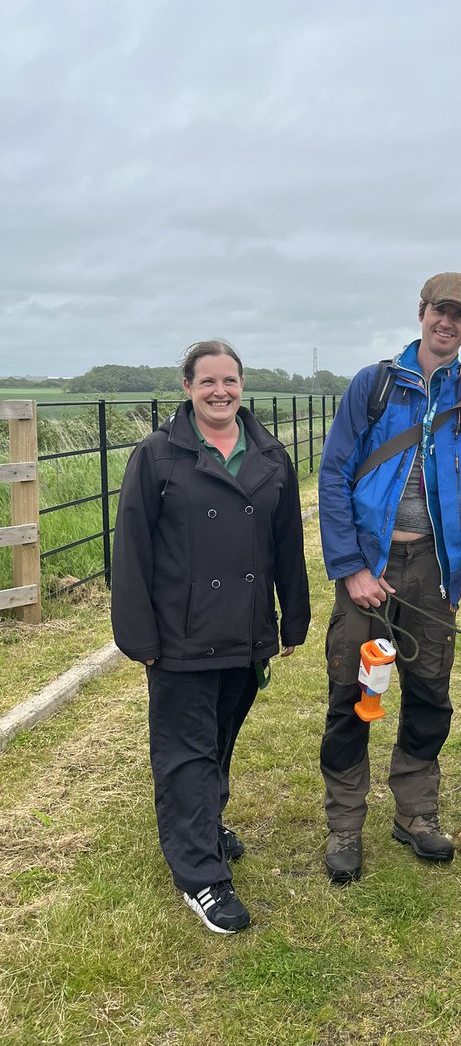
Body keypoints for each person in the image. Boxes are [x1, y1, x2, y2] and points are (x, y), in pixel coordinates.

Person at [317, 273, 461, 883]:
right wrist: (352, 567)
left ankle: (416, 814)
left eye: (460, 316)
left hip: (433, 569)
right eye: (439, 311)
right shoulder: (373, 387)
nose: (447, 323)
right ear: (422, 312)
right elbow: (334, 477)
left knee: (428, 698)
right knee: (356, 696)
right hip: (372, 566)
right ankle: (345, 824)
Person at [111, 339, 310, 933]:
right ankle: (202, 876)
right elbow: (133, 550)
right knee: (185, 753)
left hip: (245, 631)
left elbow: (287, 547)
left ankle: (202, 822)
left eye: (230, 381)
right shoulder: (157, 456)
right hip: (179, 636)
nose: (220, 392)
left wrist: (291, 619)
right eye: (207, 382)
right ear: (187, 388)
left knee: (218, 741)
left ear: (242, 385)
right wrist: (137, 636)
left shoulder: (271, 455)